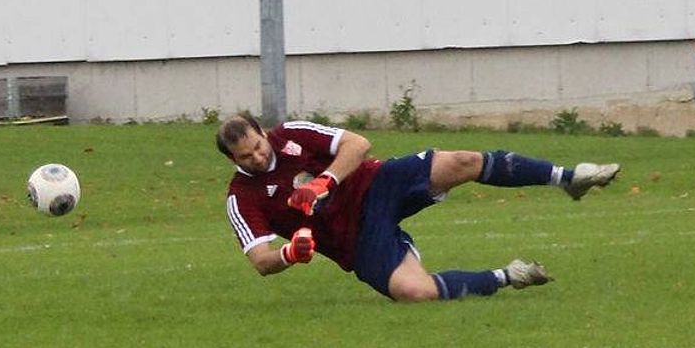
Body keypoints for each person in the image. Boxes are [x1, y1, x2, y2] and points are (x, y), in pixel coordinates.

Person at [217, 114, 619, 302]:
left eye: (258, 145)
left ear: (262, 132)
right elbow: (260, 261)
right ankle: (510, 275)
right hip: (358, 241)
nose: (256, 156)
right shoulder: (242, 196)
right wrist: (291, 252)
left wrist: (325, 181)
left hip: (377, 185)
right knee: (415, 292)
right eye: (245, 156)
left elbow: (358, 145)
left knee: (462, 161)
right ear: (232, 160)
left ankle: (569, 178)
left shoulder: (291, 134)